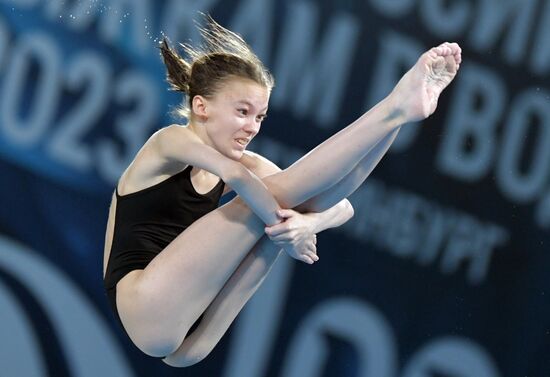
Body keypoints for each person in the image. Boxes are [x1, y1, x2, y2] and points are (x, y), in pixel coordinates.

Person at [103, 16, 462, 367]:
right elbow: (240, 179)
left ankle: (397, 118)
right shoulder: (170, 141)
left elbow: (343, 206)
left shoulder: (242, 161)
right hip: (145, 307)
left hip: (191, 338)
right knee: (268, 200)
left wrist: (308, 227)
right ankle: (392, 108)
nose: (251, 128)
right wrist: (287, 227)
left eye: (259, 118)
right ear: (201, 107)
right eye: (242, 112)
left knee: (302, 204)